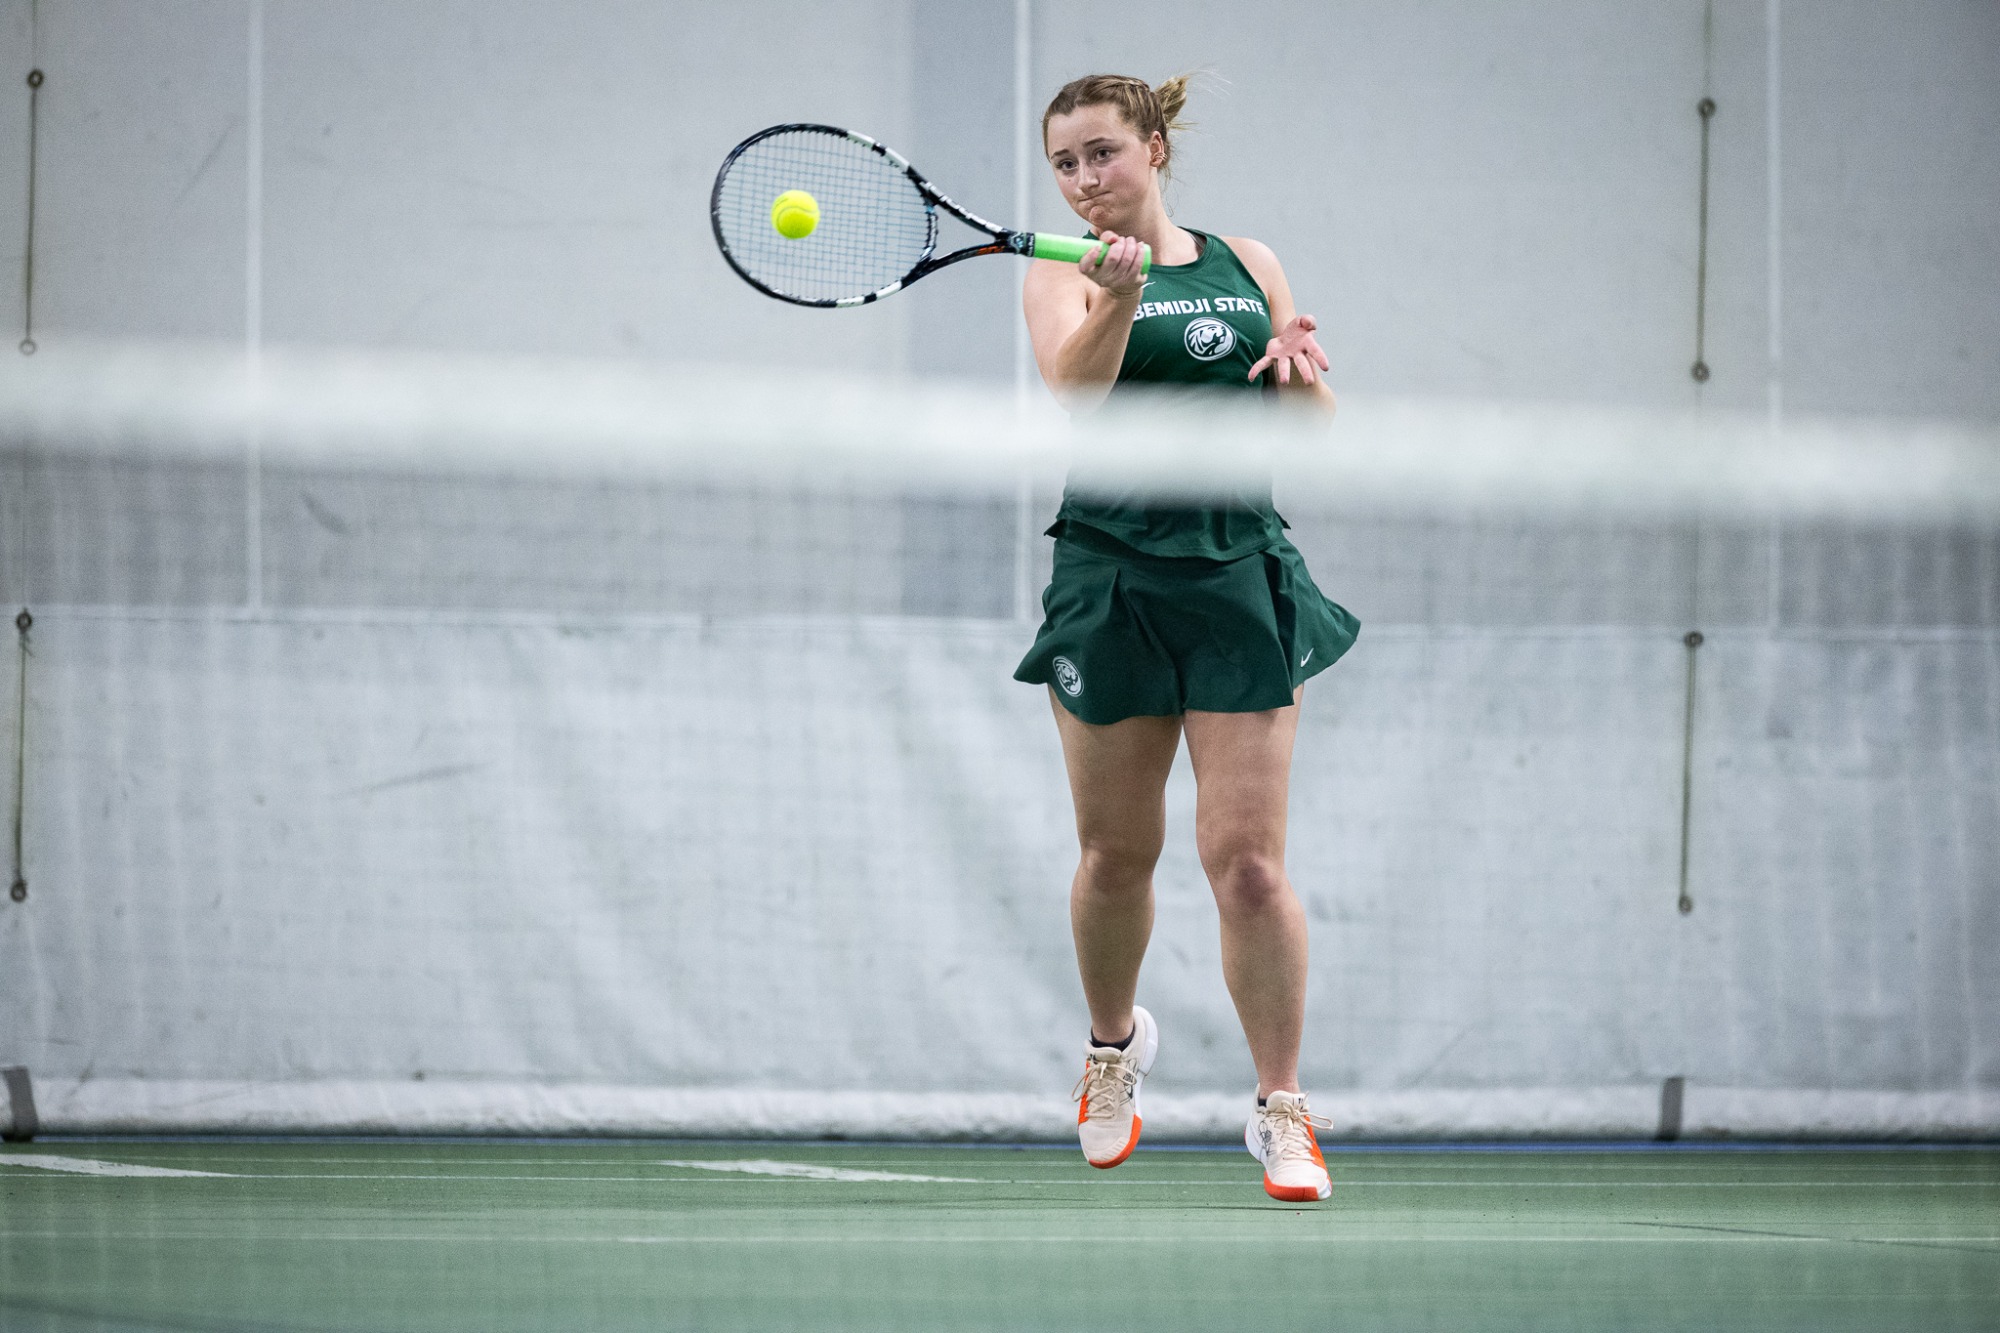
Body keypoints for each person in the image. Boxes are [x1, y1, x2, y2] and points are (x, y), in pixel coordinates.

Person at [1015, 73, 1359, 1203]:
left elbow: (1303, 428)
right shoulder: (1055, 270)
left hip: (1234, 574)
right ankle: (1111, 1056)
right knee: (1117, 856)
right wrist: (1110, 297)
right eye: (1063, 164)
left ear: (1154, 150)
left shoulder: (1246, 261)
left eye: (1101, 154)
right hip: (1110, 577)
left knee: (1247, 865)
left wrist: (1300, 373)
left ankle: (1280, 1107)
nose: (1082, 181)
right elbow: (1079, 396)